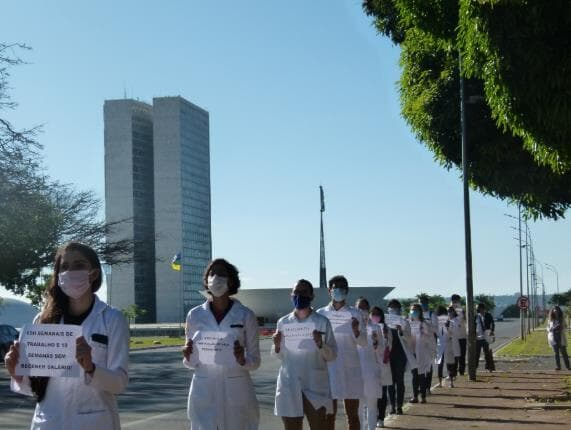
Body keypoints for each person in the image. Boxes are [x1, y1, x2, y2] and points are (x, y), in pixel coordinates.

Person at [4, 242, 130, 429]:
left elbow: (119, 384)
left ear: (93, 273)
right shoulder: (42, 320)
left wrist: (91, 368)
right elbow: (35, 386)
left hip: (95, 422)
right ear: (58, 275)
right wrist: (17, 372)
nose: (70, 272)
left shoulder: (112, 319)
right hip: (49, 421)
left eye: (79, 265)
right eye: (64, 267)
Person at [183, 258, 260, 430]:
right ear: (206, 280)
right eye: (212, 274)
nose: (216, 278)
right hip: (204, 388)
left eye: (221, 274)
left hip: (236, 387)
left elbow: (255, 361)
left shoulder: (246, 315)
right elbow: (190, 363)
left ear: (231, 281)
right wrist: (188, 356)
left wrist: (242, 359)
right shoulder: (194, 315)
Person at [273, 279, 337, 430]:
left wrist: (321, 344)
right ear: (291, 295)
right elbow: (281, 356)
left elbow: (332, 355)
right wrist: (276, 345)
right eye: (296, 292)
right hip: (289, 384)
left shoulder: (322, 322)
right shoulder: (283, 322)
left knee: (319, 426)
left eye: (303, 292)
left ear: (311, 296)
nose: (299, 295)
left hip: (315, 385)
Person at [317, 275, 367, 430]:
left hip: (350, 368)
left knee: (352, 415)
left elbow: (364, 343)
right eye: (335, 287)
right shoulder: (321, 314)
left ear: (347, 291)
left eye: (342, 288)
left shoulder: (355, 314)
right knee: (328, 415)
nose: (338, 290)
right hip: (328, 368)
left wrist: (356, 331)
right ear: (329, 290)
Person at [355, 298, 382, 430]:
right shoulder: (351, 327)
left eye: (365, 308)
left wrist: (377, 344)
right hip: (356, 372)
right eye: (360, 307)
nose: (362, 310)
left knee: (372, 406)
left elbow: (382, 350)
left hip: (372, 371)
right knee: (357, 408)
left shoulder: (376, 328)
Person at [385, 299, 416, 415]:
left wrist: (401, 331)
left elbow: (409, 338)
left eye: (396, 307)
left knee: (399, 380)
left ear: (399, 309)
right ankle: (392, 406)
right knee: (390, 382)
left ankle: (399, 406)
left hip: (400, 355)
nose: (393, 309)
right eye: (391, 307)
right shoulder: (385, 321)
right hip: (388, 355)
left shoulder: (404, 322)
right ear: (388, 309)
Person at [370, 306, 392, 429]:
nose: (375, 316)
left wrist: (385, 338)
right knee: (371, 393)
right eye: (373, 314)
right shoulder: (366, 328)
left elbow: (390, 347)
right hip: (369, 364)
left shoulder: (385, 329)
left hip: (382, 364)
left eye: (377, 314)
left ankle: (381, 417)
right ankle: (373, 416)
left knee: (382, 393)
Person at [408, 304, 433, 404]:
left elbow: (430, 338)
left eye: (416, 310)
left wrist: (424, 334)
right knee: (414, 375)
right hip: (412, 352)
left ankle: (423, 396)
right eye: (412, 310)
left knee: (422, 375)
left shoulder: (424, 324)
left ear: (420, 312)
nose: (414, 312)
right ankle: (415, 396)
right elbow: (406, 336)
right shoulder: (408, 323)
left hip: (422, 353)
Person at [435, 306, 461, 388]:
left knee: (449, 364)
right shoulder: (437, 324)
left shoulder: (451, 323)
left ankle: (451, 382)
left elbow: (453, 334)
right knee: (440, 364)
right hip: (439, 346)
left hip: (448, 345)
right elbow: (435, 334)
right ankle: (440, 382)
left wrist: (447, 328)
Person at [418, 296, 438, 393]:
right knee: (419, 366)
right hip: (418, 344)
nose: (422, 304)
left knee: (428, 366)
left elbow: (435, 329)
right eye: (421, 302)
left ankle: (427, 387)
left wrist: (425, 323)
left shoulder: (432, 314)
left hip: (430, 344)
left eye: (424, 302)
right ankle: (420, 386)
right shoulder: (415, 315)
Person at [547, 306, 570, 371]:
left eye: (557, 310)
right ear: (553, 312)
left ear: (559, 311)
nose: (556, 311)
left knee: (564, 352)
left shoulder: (562, 319)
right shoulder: (551, 319)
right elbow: (548, 327)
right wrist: (549, 329)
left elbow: (565, 326)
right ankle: (558, 367)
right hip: (553, 338)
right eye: (554, 310)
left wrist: (561, 327)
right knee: (556, 353)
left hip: (561, 337)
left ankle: (568, 366)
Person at [475, 303, 495, 373]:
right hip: (477, 337)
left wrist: (492, 331)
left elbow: (492, 323)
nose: (477, 309)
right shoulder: (476, 316)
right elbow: (474, 325)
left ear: (482, 308)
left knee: (487, 353)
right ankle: (475, 367)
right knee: (476, 353)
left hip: (486, 336)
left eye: (478, 308)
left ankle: (489, 367)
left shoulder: (488, 315)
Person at [450, 294, 467, 375]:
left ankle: (461, 371)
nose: (456, 303)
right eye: (455, 301)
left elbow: (464, 320)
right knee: (454, 355)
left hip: (462, 335)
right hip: (453, 337)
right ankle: (454, 371)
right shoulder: (449, 309)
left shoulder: (462, 309)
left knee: (462, 355)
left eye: (458, 301)